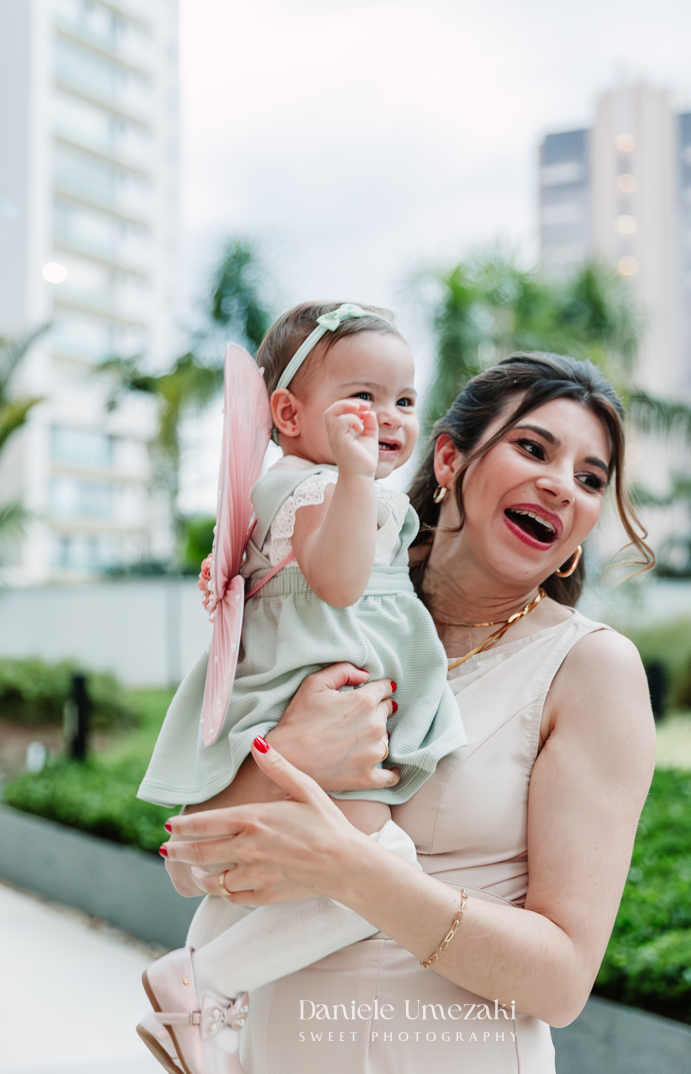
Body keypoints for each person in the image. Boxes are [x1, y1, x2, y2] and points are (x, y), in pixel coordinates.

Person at [159, 352, 657, 1074]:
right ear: (450, 460)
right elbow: (185, 864)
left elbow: (561, 982)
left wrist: (355, 873)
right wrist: (290, 756)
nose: (561, 486)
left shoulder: (591, 670)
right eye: (533, 448)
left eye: (590, 479)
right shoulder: (318, 602)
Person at [136, 302, 467, 1074]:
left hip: (299, 698)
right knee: (377, 869)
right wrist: (355, 477)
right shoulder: (318, 488)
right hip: (316, 703)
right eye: (363, 396)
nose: (386, 417)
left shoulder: (313, 484)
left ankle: (206, 1001)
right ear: (287, 412)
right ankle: (204, 983)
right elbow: (342, 582)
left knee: (275, 873)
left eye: (404, 400)